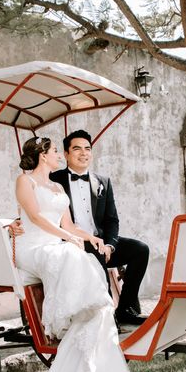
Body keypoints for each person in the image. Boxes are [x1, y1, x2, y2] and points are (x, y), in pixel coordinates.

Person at [14, 136, 138, 372]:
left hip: (58, 242)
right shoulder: (24, 181)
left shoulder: (58, 189)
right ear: (43, 155)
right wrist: (70, 239)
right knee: (71, 257)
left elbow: (69, 225)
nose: (59, 156)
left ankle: (90, 320)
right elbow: (38, 219)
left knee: (82, 257)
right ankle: (68, 316)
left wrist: (90, 237)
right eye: (56, 152)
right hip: (35, 247)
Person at [50, 129, 150, 325]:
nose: (83, 153)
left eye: (87, 149)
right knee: (95, 255)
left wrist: (111, 245)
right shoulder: (54, 180)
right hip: (72, 242)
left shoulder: (103, 181)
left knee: (140, 250)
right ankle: (104, 319)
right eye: (77, 149)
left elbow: (112, 220)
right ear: (66, 154)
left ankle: (125, 309)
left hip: (102, 242)